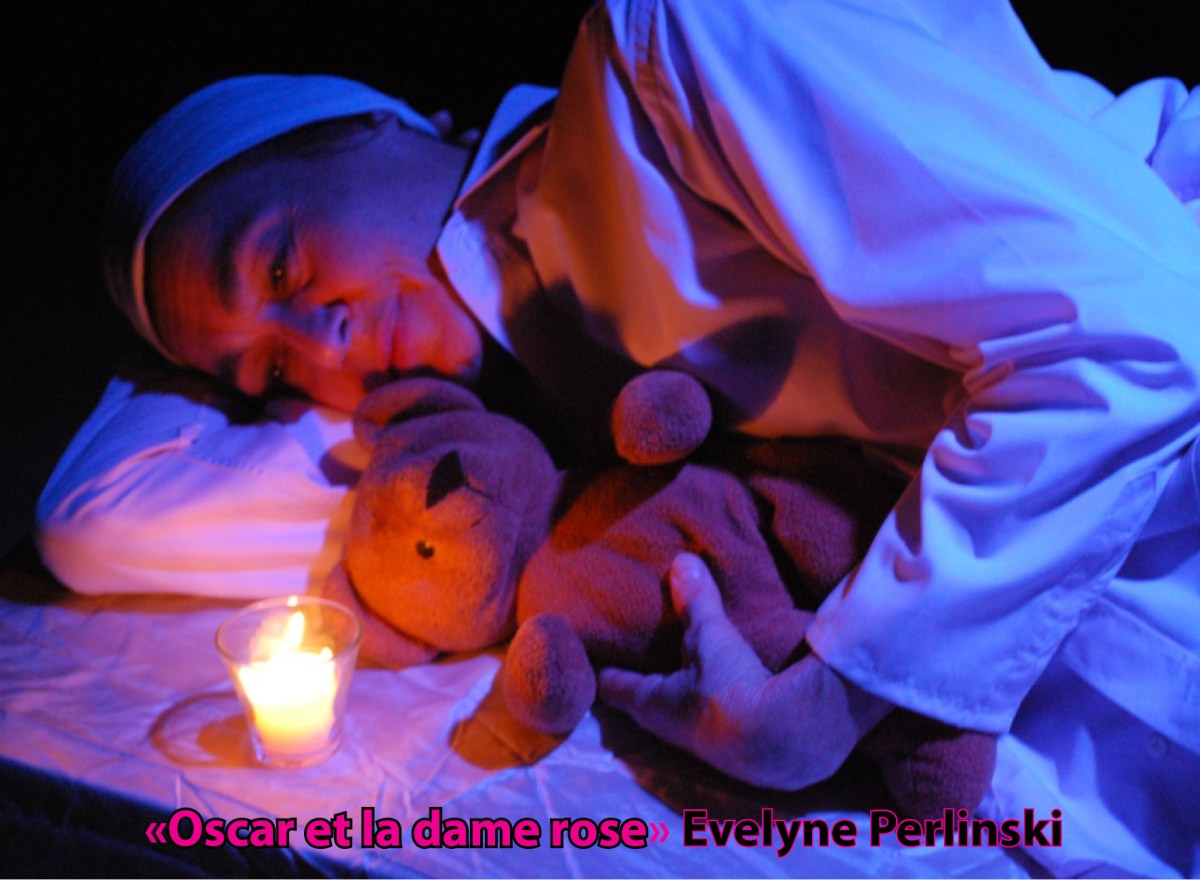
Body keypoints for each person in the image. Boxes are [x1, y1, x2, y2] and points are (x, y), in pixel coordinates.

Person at [37, 0, 1200, 874]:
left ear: (377, 123)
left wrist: (837, 696)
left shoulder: (675, 52)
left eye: (283, 265)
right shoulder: (526, 424)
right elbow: (89, 521)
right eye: (273, 375)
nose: (324, 346)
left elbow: (1133, 328)